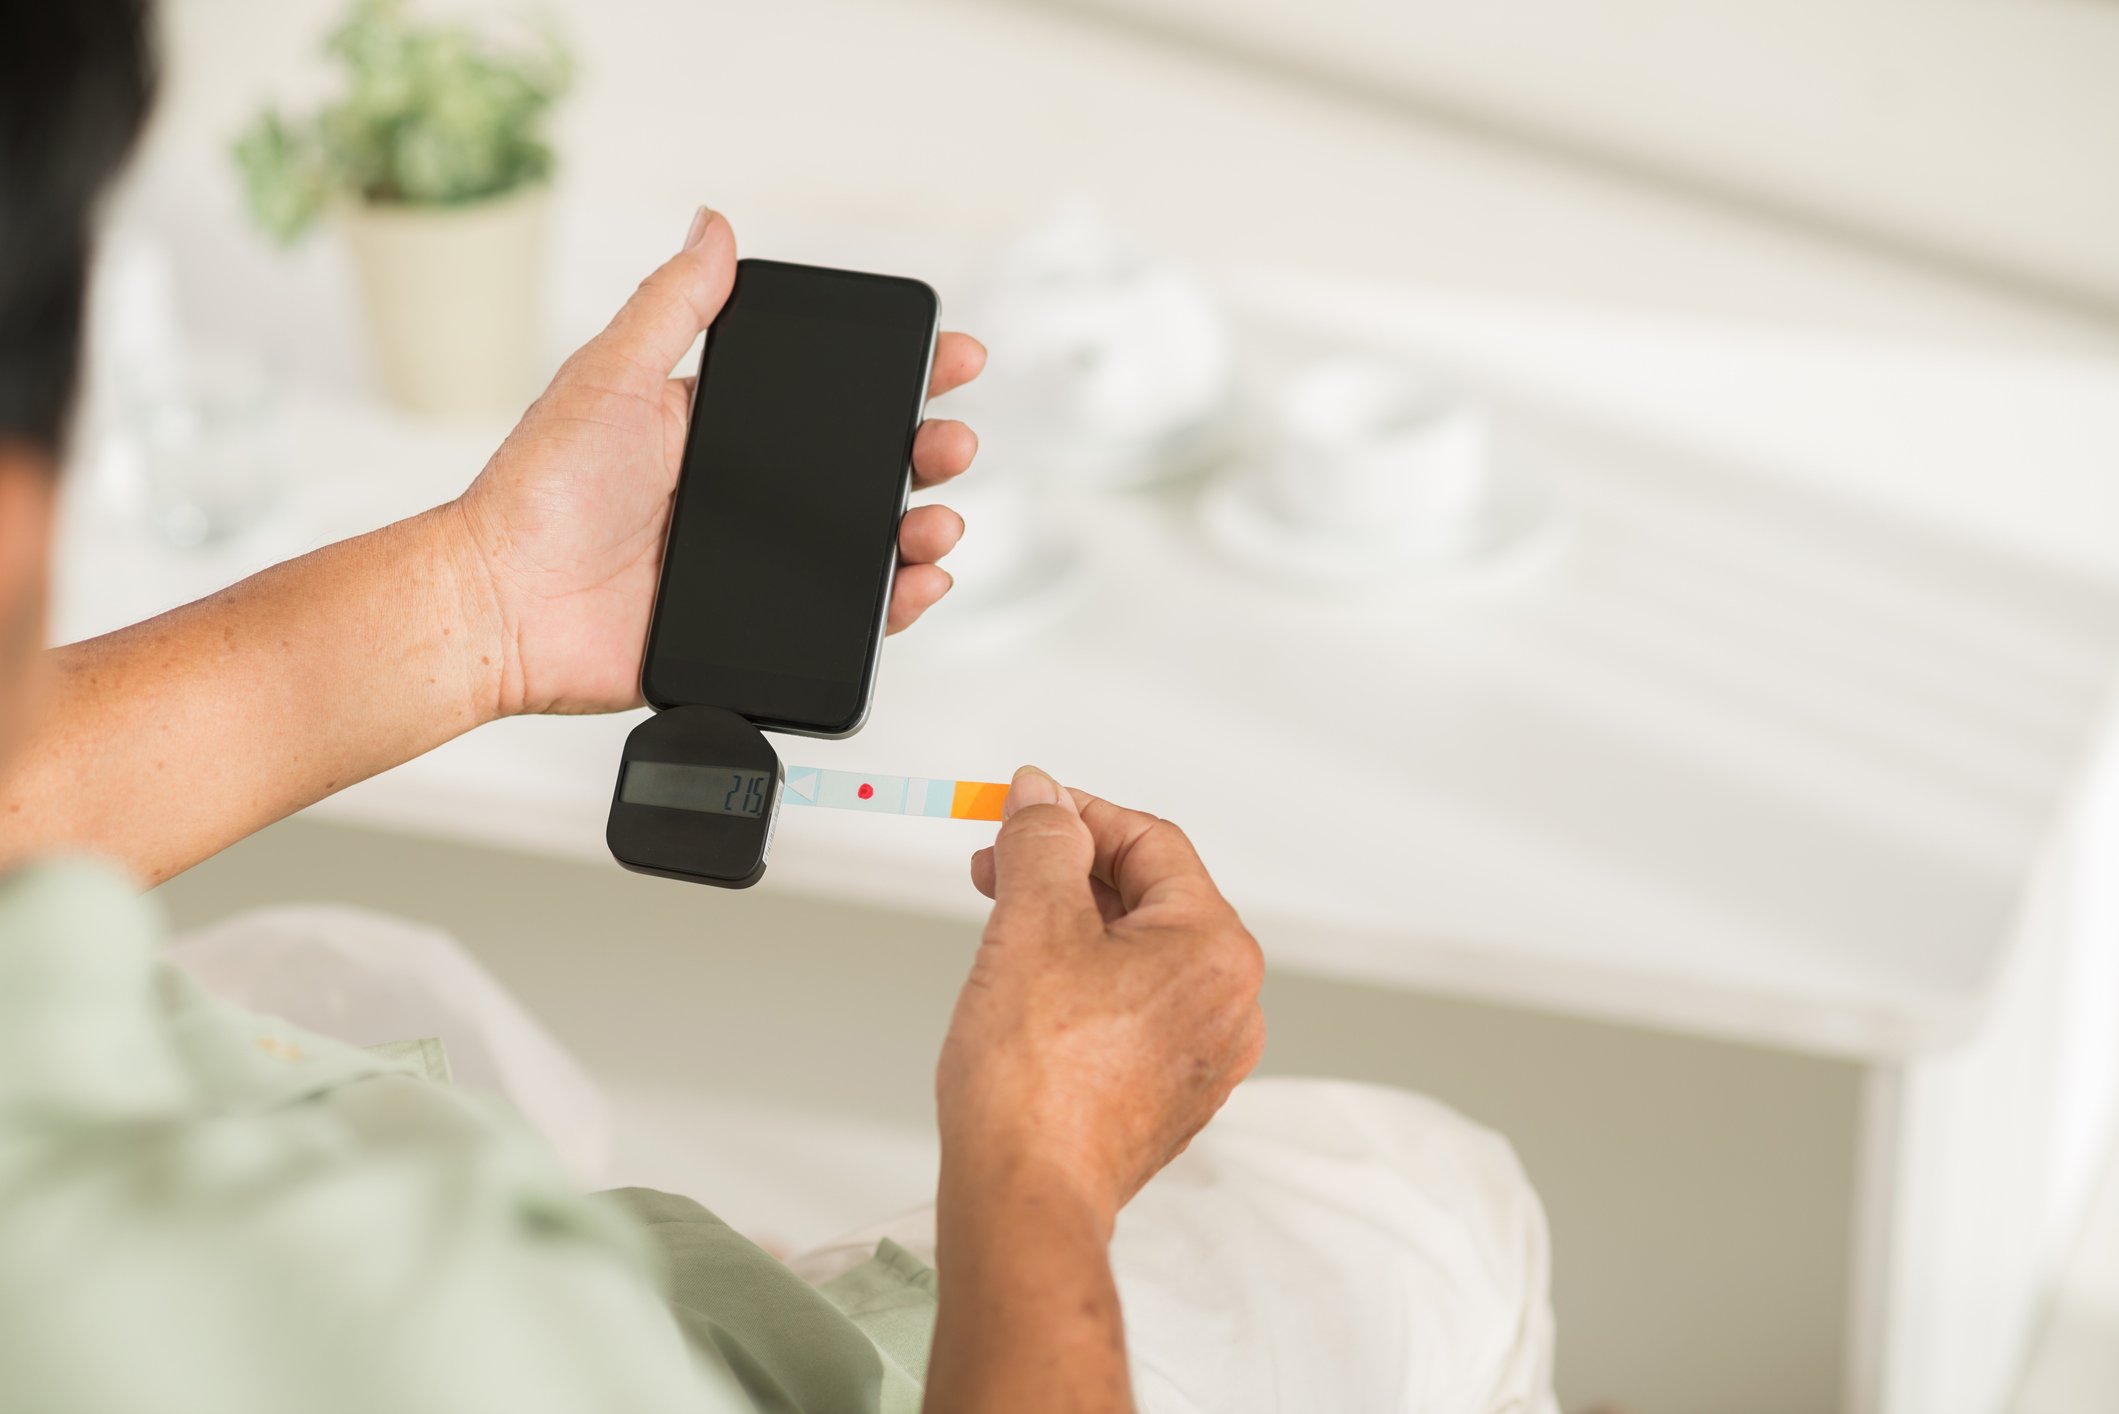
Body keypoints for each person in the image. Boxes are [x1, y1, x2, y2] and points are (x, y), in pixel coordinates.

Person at [0, 5, 1557, 1412]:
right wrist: (1042, 1168)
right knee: (1433, 1206)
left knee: (356, 967)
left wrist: (482, 601)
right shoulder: (367, 1313)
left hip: (420, 1191)